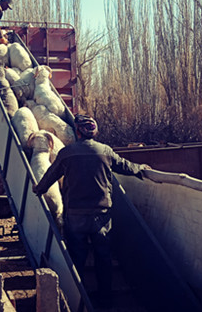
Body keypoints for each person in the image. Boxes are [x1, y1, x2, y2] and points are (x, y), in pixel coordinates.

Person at [32, 114, 154, 305]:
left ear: (77, 132)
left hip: (75, 215)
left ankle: (78, 299)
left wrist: (38, 189)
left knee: (76, 257)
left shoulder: (67, 153)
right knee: (103, 257)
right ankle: (106, 298)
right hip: (101, 215)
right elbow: (125, 166)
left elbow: (50, 176)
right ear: (94, 132)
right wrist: (142, 169)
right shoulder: (105, 151)